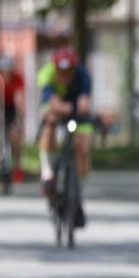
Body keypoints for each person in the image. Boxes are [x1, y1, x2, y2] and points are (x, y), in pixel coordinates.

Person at [38, 46, 93, 227]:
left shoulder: (84, 76)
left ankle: (77, 192)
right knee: (50, 121)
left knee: (83, 148)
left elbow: (84, 102)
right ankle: (48, 172)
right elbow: (52, 101)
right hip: (56, 109)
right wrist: (62, 108)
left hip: (77, 113)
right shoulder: (47, 75)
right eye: (61, 72)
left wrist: (81, 106)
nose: (65, 76)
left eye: (69, 72)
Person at [0, 54, 25, 183]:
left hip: (13, 109)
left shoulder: (18, 79)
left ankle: (18, 165)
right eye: (4, 72)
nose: (6, 75)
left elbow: (19, 99)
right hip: (0, 107)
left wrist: (20, 118)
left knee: (15, 135)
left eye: (9, 72)